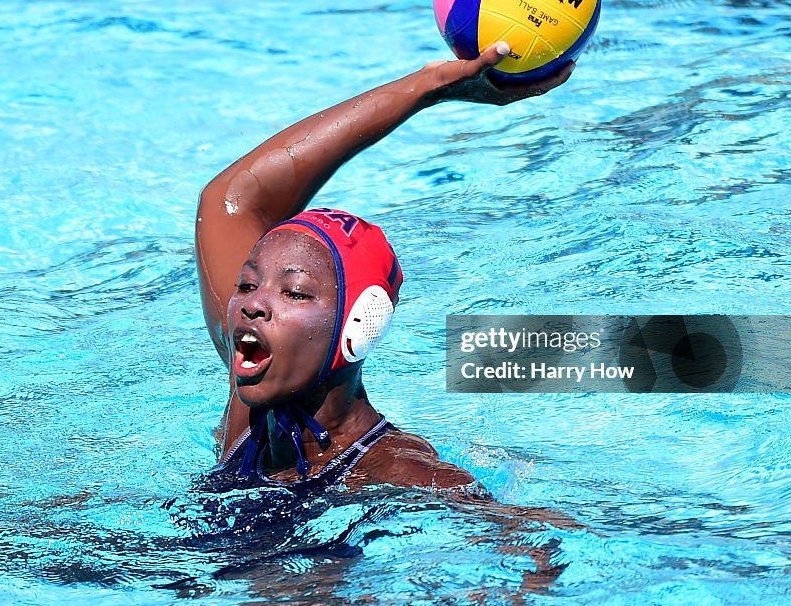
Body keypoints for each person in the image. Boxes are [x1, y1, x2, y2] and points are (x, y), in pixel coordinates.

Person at [195, 41, 574, 494]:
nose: (254, 304)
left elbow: (525, 535)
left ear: (358, 324)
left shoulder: (406, 474)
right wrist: (428, 86)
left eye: (294, 292)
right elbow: (230, 201)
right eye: (248, 283)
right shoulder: (253, 404)